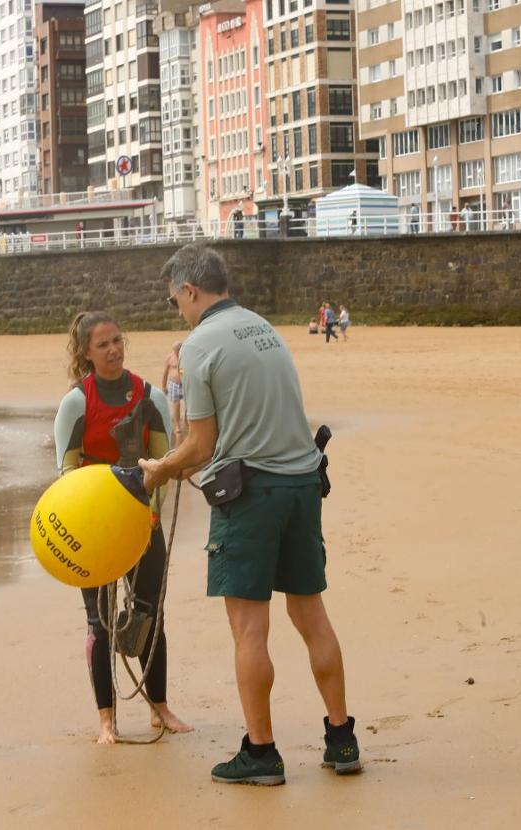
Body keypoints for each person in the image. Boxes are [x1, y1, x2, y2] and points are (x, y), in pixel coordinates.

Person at [142, 243, 361, 785]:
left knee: (249, 629)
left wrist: (161, 469)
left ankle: (261, 753)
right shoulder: (262, 327)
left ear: (190, 290)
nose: (177, 310)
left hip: (251, 493)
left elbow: (200, 444)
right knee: (312, 616)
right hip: (302, 483)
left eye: (174, 301)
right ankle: (341, 738)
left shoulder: (199, 344)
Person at [54, 311, 192, 744]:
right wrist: (93, 521)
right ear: (86, 353)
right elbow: (66, 473)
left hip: (142, 523)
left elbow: (163, 463)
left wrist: (148, 517)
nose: (114, 350)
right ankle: (106, 719)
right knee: (99, 623)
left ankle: (159, 707)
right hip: (93, 531)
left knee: (151, 615)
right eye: (103, 345)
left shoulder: (149, 396)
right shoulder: (76, 402)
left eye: (117, 341)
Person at [162, 340, 186, 444]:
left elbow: (187, 370)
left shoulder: (185, 357)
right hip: (174, 384)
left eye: (179, 350)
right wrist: (164, 386)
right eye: (176, 350)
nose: (177, 352)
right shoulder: (170, 358)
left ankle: (187, 422)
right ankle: (177, 425)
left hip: (185, 384)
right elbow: (165, 373)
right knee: (176, 405)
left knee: (189, 405)